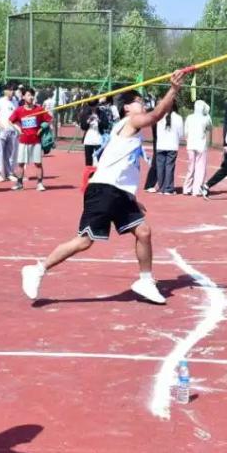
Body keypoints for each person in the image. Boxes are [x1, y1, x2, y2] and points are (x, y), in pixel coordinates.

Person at [20, 69, 189, 305]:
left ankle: (145, 281)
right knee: (84, 241)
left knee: (143, 232)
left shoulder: (126, 129)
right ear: (127, 107)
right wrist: (174, 89)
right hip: (104, 190)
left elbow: (120, 166)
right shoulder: (131, 121)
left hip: (118, 192)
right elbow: (155, 116)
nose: (142, 105)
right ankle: (38, 269)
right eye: (139, 102)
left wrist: (131, 197)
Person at [8, 88, 53, 192]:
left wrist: (42, 128)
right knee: (20, 163)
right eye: (28, 95)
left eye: (32, 95)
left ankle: (40, 183)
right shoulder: (19, 110)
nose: (31, 97)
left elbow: (50, 119)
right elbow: (10, 121)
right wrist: (18, 129)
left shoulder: (39, 109)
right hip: (23, 141)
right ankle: (19, 183)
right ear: (23, 97)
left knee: (38, 163)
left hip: (36, 141)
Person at [183, 99, 212, 196]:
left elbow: (186, 132)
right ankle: (197, 190)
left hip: (190, 145)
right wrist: (207, 113)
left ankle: (187, 188)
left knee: (190, 167)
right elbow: (210, 127)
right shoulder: (205, 118)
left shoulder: (189, 117)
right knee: (200, 168)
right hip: (201, 145)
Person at [154, 101, 184, 194]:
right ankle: (168, 189)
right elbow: (181, 134)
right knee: (169, 167)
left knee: (160, 167)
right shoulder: (178, 118)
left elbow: (156, 131)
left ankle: (161, 188)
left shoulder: (159, 116)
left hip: (160, 145)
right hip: (172, 145)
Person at [0, 83, 20, 180]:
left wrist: (18, 128)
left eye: (13, 90)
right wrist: (1, 126)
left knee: (11, 153)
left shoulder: (15, 102)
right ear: (5, 91)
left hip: (13, 131)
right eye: (10, 90)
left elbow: (17, 116)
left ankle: (10, 173)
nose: (12, 92)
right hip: (2, 131)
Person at [78, 100, 110, 167]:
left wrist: (99, 121)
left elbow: (106, 125)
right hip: (88, 140)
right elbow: (83, 127)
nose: (92, 107)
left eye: (94, 105)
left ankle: (99, 172)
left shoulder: (102, 113)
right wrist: (88, 121)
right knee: (88, 160)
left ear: (97, 105)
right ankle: (89, 172)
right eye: (91, 105)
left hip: (99, 139)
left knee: (100, 159)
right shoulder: (86, 113)